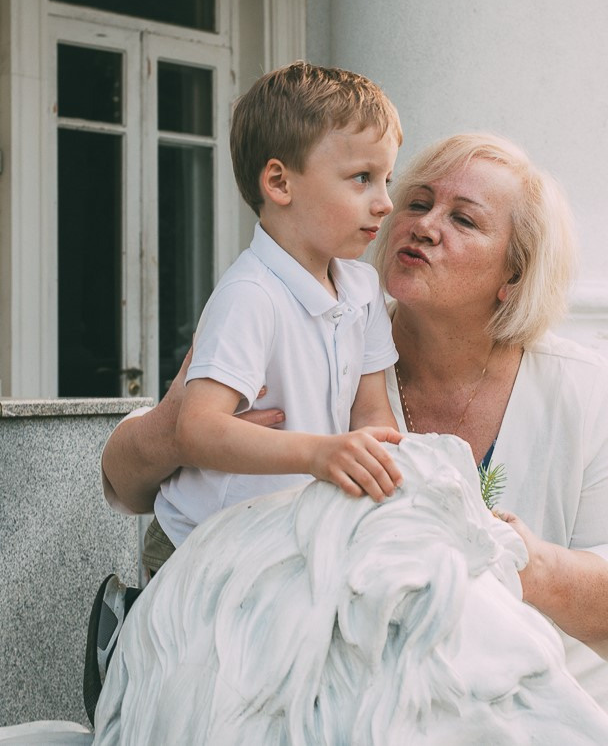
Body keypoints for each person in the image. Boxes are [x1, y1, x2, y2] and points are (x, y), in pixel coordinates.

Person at [98, 133, 608, 741]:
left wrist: (505, 558)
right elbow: (123, 482)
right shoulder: (319, 330)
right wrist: (180, 430)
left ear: (514, 274)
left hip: (562, 704)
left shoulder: (579, 387)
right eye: (417, 203)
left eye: (463, 219)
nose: (423, 226)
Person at [84, 61, 405, 723]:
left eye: (388, 179)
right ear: (279, 182)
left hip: (286, 537)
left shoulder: (363, 289)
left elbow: (372, 412)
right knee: (202, 703)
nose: (385, 202)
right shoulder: (249, 294)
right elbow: (196, 427)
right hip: (204, 539)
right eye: (361, 179)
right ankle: (129, 647)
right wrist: (319, 453)